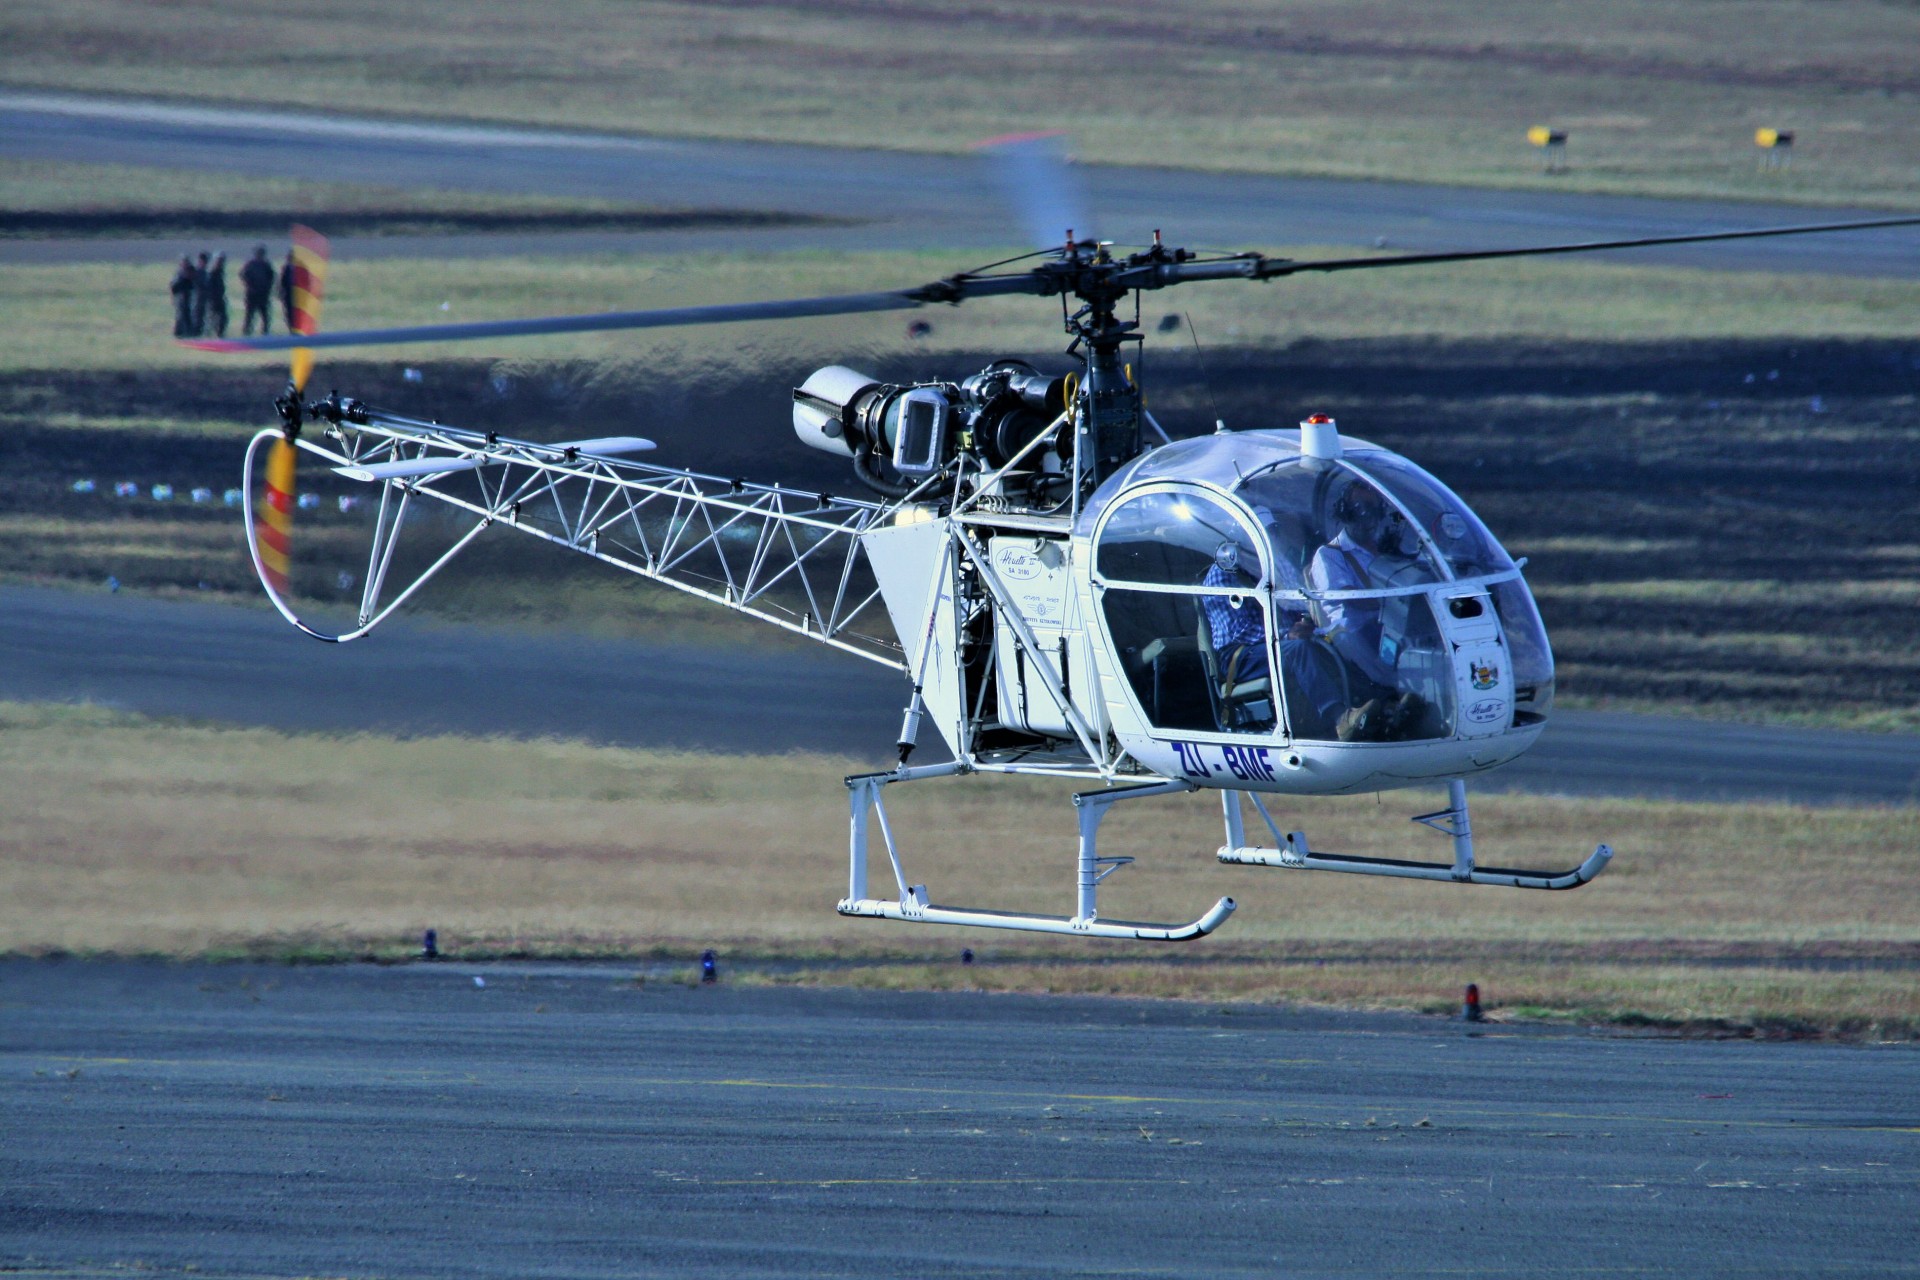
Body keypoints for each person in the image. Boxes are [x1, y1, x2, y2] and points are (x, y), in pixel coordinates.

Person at [1201, 517, 1347, 737]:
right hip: (1240, 655)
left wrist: (1307, 619)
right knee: (1298, 650)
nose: (1270, 538)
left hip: (1278, 641)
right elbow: (1240, 631)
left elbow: (1297, 597)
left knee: (1342, 639)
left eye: (1271, 532)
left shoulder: (1271, 563)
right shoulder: (1222, 573)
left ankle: (1379, 705)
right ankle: (1340, 719)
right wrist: (1287, 633)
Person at [1309, 480, 1424, 739]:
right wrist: (1393, 602)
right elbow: (1347, 597)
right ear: (1345, 512)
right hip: (1353, 628)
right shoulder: (1330, 555)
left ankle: (1424, 696)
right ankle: (1394, 696)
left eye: (1373, 509)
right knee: (1358, 636)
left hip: (1391, 623)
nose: (1367, 516)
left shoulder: (1386, 551)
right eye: (1360, 508)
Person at [240, 245, 275, 335]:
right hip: (252, 294)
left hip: (263, 294)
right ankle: (247, 331)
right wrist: (249, 286)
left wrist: (267, 288)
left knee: (265, 315)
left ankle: (265, 331)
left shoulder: (266, 265)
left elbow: (271, 277)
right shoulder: (250, 265)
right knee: (250, 314)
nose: (260, 255)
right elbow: (243, 275)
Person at [202, 252, 229, 339]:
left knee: (223, 318)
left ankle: (220, 334)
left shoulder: (220, 272)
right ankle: (207, 335)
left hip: (220, 298)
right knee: (211, 318)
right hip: (212, 300)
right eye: (219, 261)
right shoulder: (211, 273)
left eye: (222, 261)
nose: (221, 263)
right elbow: (207, 287)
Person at [169, 255, 197, 336]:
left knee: (187, 315)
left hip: (188, 297)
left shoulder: (191, 272)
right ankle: (178, 333)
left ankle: (189, 332)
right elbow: (173, 287)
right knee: (180, 316)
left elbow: (192, 284)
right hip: (180, 298)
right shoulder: (179, 275)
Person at [189, 252, 211, 336]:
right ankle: (194, 333)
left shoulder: (205, 272)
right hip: (197, 298)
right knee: (196, 317)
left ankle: (199, 333)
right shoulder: (196, 272)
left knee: (202, 318)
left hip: (203, 299)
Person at [278, 249, 298, 332]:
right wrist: (281, 293)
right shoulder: (285, 268)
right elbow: (282, 282)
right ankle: (291, 328)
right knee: (289, 314)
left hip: (298, 296)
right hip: (288, 295)